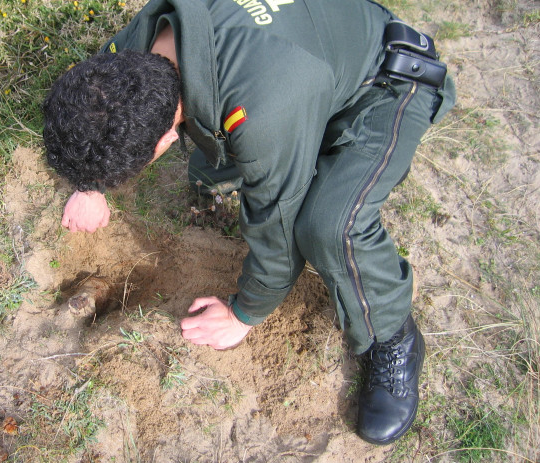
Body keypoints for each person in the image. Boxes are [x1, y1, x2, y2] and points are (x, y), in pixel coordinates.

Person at [42, 0, 456, 445]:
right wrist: (91, 185)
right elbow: (107, 101)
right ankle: (239, 162)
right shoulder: (145, 38)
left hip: (387, 83)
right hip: (310, 48)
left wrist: (243, 314)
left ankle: (392, 336)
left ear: (164, 139)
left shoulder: (264, 110)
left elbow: (279, 228)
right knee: (219, 158)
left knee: (326, 226)